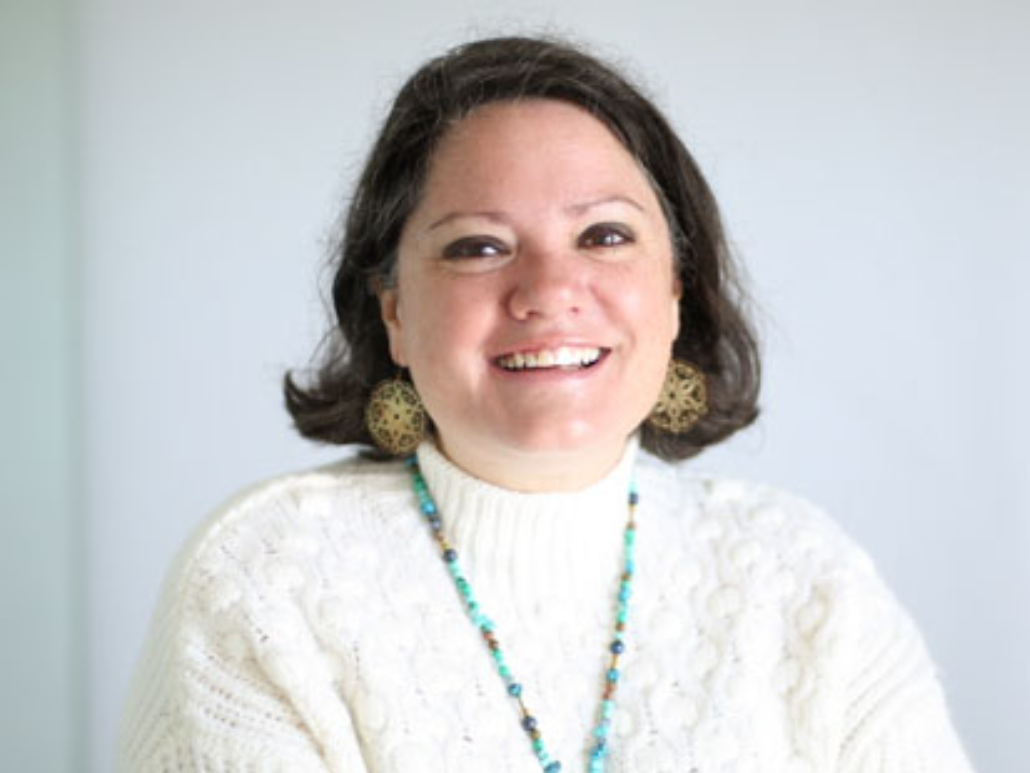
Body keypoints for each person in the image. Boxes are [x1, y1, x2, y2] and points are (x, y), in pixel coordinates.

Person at [117, 36, 975, 772]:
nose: (550, 290)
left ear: (676, 288)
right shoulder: (264, 583)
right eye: (478, 246)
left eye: (605, 235)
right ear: (395, 314)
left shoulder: (805, 579)